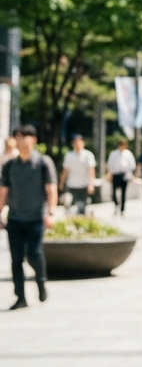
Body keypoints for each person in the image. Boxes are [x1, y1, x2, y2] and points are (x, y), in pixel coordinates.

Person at [0, 125, 56, 309]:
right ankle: (20, 297)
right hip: (15, 219)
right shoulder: (10, 165)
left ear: (34, 140)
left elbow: (51, 189)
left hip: (35, 218)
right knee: (16, 260)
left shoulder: (43, 162)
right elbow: (3, 191)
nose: (20, 140)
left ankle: (41, 282)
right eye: (17, 136)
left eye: (24, 136)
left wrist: (51, 213)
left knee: (34, 254)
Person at [60, 134, 96, 216]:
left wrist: (91, 184)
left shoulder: (88, 155)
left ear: (83, 143)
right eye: (75, 143)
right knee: (71, 207)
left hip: (84, 184)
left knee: (82, 206)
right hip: (72, 184)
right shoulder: (69, 156)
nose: (77, 145)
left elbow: (91, 171)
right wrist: (61, 183)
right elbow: (65, 171)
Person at [106, 139, 136, 216]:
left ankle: (122, 209)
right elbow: (110, 164)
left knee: (123, 193)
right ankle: (116, 205)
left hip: (124, 175)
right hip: (116, 174)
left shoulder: (128, 154)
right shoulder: (114, 153)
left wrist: (131, 175)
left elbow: (132, 165)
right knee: (114, 193)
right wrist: (110, 174)